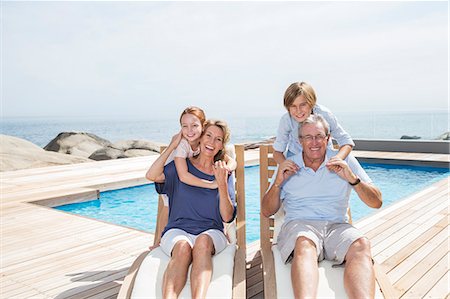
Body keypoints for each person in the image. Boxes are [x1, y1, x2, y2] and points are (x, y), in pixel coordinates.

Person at [262, 114, 382, 298]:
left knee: (361, 244)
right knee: (304, 242)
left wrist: (353, 179)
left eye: (319, 136)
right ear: (299, 140)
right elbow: (267, 211)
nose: (314, 142)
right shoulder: (289, 165)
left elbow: (376, 202)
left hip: (337, 227)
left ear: (328, 138)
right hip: (300, 225)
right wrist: (278, 183)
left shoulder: (344, 161)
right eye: (308, 137)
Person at [146, 119, 237, 299]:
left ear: (221, 146)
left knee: (202, 242)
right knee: (182, 248)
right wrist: (172, 145)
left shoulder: (223, 171)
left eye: (218, 139)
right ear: (200, 137)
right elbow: (152, 175)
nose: (211, 142)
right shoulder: (181, 167)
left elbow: (227, 218)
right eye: (208, 135)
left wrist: (221, 184)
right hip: (177, 230)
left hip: (212, 232)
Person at [146, 107, 236, 249]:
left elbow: (229, 159)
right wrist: (171, 146)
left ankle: (160, 240)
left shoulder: (215, 158)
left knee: (202, 242)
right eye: (185, 126)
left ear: (201, 128)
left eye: (194, 126)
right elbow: (180, 176)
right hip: (176, 166)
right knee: (167, 204)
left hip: (208, 232)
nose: (190, 131)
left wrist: (228, 170)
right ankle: (158, 241)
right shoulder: (181, 146)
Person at [273, 82, 354, 174]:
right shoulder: (286, 120)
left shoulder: (325, 114)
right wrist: (284, 164)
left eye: (303, 105)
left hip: (324, 159)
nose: (298, 111)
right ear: (288, 108)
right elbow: (277, 152)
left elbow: (346, 141)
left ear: (312, 103)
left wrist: (337, 159)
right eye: (293, 106)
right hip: (296, 159)